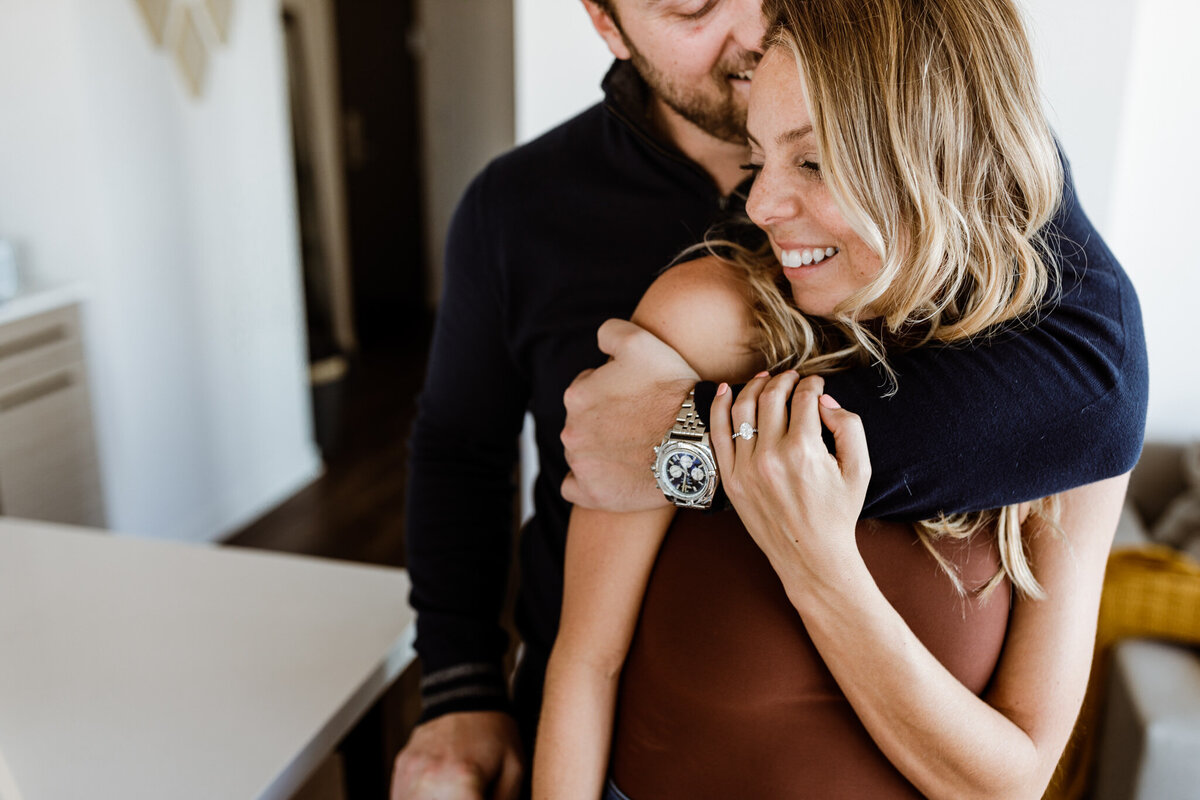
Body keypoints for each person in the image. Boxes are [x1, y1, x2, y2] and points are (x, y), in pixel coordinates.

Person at [392, 0, 1146, 797]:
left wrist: (691, 448)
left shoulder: (1008, 240)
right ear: (607, 24)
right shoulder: (546, 223)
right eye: (692, 7)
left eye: (812, 159)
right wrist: (459, 685)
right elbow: (458, 454)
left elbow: (1105, 385)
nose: (754, 28)